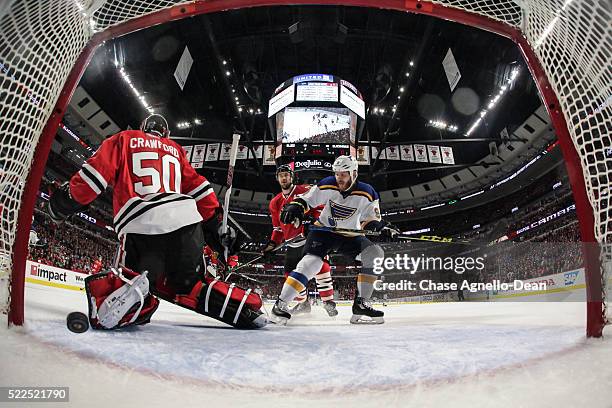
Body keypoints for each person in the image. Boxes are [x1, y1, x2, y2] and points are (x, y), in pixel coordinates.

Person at [48, 114, 266, 330]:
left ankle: (128, 293)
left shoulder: (124, 138)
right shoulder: (176, 150)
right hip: (186, 224)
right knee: (187, 286)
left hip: (141, 223)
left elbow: (92, 180)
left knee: (133, 278)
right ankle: (245, 308)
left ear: (142, 127)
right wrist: (217, 226)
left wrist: (63, 203)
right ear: (166, 134)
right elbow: (201, 192)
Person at [271, 155, 398, 325]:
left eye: (343, 174)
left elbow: (370, 219)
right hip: (323, 231)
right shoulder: (327, 183)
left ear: (354, 173)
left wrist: (382, 227)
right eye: (337, 174)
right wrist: (296, 206)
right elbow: (306, 199)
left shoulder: (368, 193)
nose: (339, 178)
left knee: (375, 254)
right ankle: (280, 305)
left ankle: (361, 304)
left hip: (350, 235)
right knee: (312, 263)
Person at [261, 165, 337, 317]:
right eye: (281, 175)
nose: (284, 178)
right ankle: (303, 303)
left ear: (292, 177)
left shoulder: (304, 190)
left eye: (287, 175)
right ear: (277, 178)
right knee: (290, 275)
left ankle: (328, 302)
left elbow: (320, 208)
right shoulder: (275, 202)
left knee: (321, 266)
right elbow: (277, 229)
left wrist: (312, 221)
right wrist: (271, 245)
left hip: (310, 238)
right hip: (292, 243)